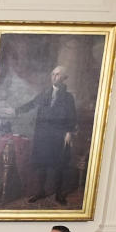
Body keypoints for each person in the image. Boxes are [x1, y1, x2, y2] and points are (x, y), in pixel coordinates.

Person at [15, 65, 76, 205]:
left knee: (59, 165)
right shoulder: (45, 93)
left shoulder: (68, 97)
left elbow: (72, 116)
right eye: (53, 74)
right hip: (42, 135)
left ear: (64, 78)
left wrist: (68, 132)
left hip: (59, 135)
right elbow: (31, 104)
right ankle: (40, 191)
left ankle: (59, 194)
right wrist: (16, 111)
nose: (54, 77)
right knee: (41, 163)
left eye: (58, 74)